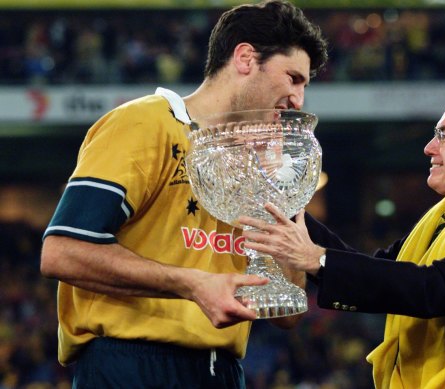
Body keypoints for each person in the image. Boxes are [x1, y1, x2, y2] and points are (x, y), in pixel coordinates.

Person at [39, 1, 328, 387]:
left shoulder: (262, 159)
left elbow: (288, 312)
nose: (298, 99)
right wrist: (191, 284)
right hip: (131, 363)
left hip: (222, 370)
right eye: (293, 78)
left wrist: (285, 192)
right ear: (245, 58)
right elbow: (62, 252)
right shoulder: (144, 123)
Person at [239, 88, 445, 388]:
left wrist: (318, 260)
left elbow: (432, 289)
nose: (429, 147)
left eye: (443, 135)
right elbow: (376, 271)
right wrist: (284, 208)